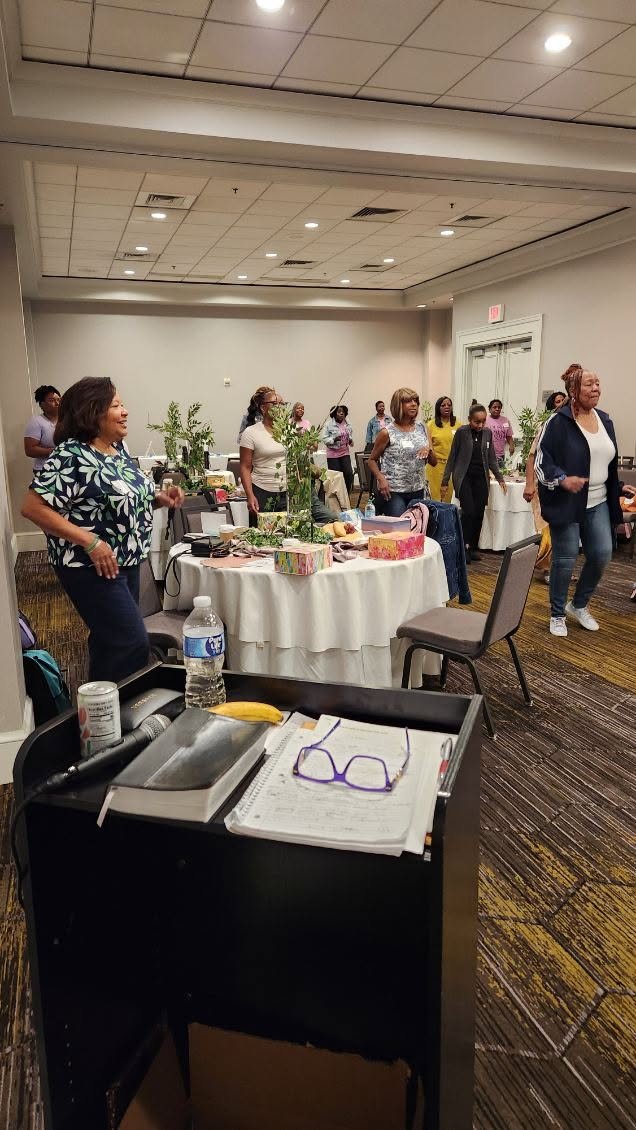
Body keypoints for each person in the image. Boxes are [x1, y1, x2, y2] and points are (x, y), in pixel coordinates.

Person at [21, 377, 184, 683]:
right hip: (88, 565)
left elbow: (125, 498)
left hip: (128, 561)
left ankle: (99, 714)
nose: (125, 412)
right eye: (116, 405)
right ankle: (115, 712)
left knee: (110, 639)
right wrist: (90, 542)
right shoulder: (72, 454)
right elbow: (33, 508)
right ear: (92, 411)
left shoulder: (117, 449)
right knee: (131, 642)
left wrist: (159, 499)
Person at [535, 364, 622, 637]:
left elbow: (606, 462)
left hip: (598, 501)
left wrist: (619, 486)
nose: (595, 388)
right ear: (573, 390)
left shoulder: (605, 420)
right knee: (565, 558)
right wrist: (561, 479)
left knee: (601, 554)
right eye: (589, 384)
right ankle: (557, 613)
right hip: (567, 501)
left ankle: (579, 604)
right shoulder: (558, 422)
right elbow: (541, 461)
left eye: (598, 383)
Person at [441, 403, 506, 562]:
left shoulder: (487, 433)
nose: (481, 425)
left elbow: (491, 458)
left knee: (478, 514)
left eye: (483, 421)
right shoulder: (462, 433)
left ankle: (473, 547)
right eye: (477, 421)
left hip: (481, 479)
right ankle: (462, 548)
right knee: (468, 512)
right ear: (470, 419)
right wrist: (445, 481)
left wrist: (500, 478)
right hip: (464, 478)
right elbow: (452, 457)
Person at [523, 391, 568, 583]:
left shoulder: (574, 427)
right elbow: (532, 456)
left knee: (565, 530)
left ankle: (560, 568)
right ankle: (547, 568)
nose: (560, 404)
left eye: (563, 401)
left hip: (567, 487)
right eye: (556, 402)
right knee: (548, 529)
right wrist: (529, 484)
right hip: (546, 485)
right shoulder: (545, 426)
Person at [367, 388, 433, 517]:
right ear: (398, 405)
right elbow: (371, 460)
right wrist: (381, 479)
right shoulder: (387, 432)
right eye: (408, 401)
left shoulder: (422, 428)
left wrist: (429, 450)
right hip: (394, 491)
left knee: (417, 528)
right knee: (401, 529)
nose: (414, 404)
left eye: (416, 401)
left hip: (418, 489)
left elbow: (433, 462)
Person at [239, 388, 287, 525]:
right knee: (262, 536)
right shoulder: (251, 432)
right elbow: (245, 467)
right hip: (262, 491)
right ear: (263, 408)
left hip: (285, 492)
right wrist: (250, 495)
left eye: (282, 404)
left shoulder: (288, 431)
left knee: (285, 535)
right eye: (275, 403)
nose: (280, 407)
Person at [426, 395, 462, 501]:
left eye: (449, 405)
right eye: (443, 405)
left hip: (452, 467)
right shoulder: (431, 425)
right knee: (435, 497)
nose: (447, 407)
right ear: (438, 408)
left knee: (448, 497)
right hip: (435, 466)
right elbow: (429, 447)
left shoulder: (458, 424)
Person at [24, 385, 61, 472]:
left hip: (65, 469)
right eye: (52, 400)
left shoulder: (67, 420)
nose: (57, 403)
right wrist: (56, 451)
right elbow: (29, 450)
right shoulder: (36, 421)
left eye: (59, 399)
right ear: (41, 404)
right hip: (44, 469)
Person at [322, 404, 354, 495]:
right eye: (339, 412)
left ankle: (346, 495)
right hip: (333, 455)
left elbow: (349, 434)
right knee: (336, 477)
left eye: (343, 412)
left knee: (349, 474)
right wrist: (333, 439)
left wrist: (350, 439)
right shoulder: (328, 425)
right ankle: (337, 497)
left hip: (345, 452)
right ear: (334, 414)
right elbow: (324, 439)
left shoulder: (347, 423)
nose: (341, 414)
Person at [486, 399, 515, 468]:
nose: (497, 409)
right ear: (490, 409)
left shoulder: (505, 420)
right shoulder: (485, 420)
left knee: (500, 474)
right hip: (487, 454)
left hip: (500, 454)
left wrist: (511, 446)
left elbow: (508, 435)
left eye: (499, 407)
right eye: (494, 407)